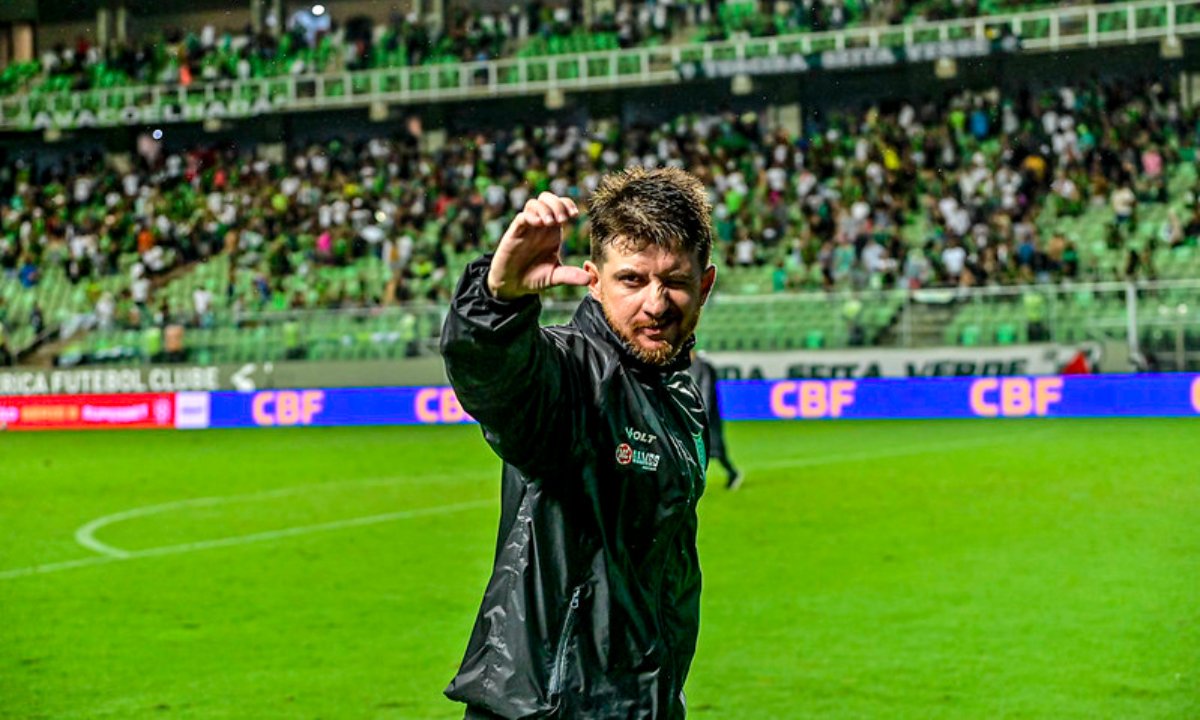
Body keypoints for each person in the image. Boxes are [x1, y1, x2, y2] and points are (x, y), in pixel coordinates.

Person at [441, 167, 717, 719]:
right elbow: (498, 380)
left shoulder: (680, 400)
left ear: (704, 284)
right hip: (548, 709)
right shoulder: (573, 375)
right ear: (593, 279)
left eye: (676, 282)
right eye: (633, 280)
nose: (657, 303)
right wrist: (496, 304)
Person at [687, 349, 742, 490]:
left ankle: (733, 473)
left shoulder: (703, 366)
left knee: (715, 448)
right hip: (695, 414)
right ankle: (692, 482)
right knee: (695, 449)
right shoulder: (690, 366)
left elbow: (706, 392)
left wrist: (700, 412)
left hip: (707, 416)